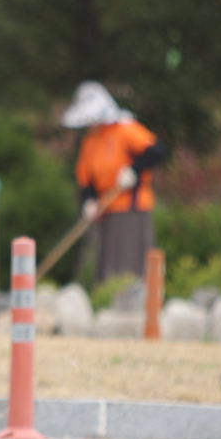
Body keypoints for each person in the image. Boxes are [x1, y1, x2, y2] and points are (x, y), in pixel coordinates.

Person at [61, 80, 167, 286]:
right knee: (105, 263)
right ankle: (106, 296)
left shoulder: (125, 129)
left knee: (128, 262)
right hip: (104, 208)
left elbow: (156, 151)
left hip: (130, 207)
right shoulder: (90, 141)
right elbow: (85, 178)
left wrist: (133, 171)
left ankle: (132, 298)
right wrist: (88, 201)